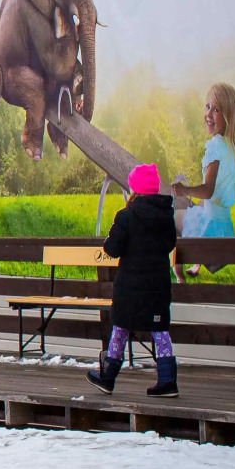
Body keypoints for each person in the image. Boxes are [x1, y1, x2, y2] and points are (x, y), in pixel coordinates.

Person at [87, 163, 180, 397]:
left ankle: (108, 377)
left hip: (129, 288)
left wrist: (111, 235)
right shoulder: (165, 216)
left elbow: (113, 249)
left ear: (134, 189)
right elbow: (170, 244)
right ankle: (167, 380)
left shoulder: (126, 216)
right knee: (160, 331)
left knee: (120, 329)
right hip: (157, 287)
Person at [172, 82, 235, 277]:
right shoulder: (233, 147)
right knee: (197, 207)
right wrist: (222, 195)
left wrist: (184, 190)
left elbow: (207, 190)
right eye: (207, 107)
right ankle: (196, 265)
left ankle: (179, 278)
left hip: (209, 227)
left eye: (216, 110)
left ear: (228, 116)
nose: (209, 114)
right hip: (224, 226)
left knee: (171, 219)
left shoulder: (214, 147)